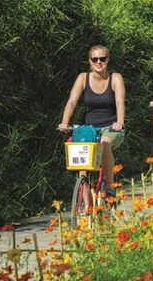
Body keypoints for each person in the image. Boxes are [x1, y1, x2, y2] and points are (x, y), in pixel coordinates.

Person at [58, 45, 126, 199]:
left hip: (111, 127)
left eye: (102, 58)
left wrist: (119, 122)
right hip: (89, 129)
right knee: (83, 157)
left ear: (107, 60)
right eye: (95, 59)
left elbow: (120, 101)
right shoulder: (83, 78)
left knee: (104, 142)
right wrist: (64, 122)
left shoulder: (115, 78)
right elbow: (72, 102)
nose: (98, 62)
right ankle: (85, 202)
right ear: (90, 61)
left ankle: (109, 189)